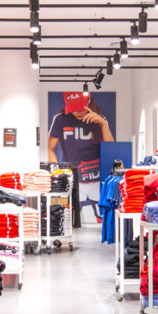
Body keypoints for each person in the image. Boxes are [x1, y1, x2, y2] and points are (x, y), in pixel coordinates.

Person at [48, 92, 114, 221]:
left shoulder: (100, 119)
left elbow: (110, 149)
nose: (77, 112)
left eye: (80, 108)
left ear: (88, 100)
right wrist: (57, 173)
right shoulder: (60, 119)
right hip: (71, 178)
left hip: (97, 179)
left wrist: (103, 124)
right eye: (73, 109)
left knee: (102, 218)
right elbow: (50, 149)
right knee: (68, 219)